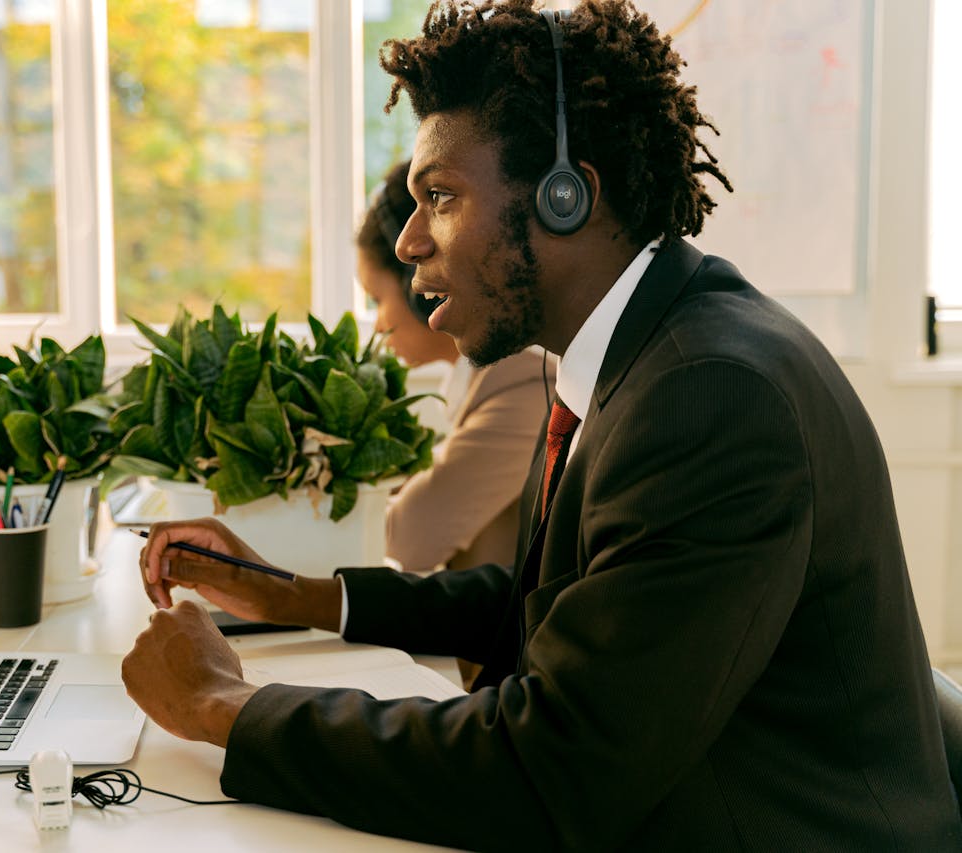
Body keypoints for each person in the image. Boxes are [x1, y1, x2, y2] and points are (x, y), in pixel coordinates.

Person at [122, 2, 962, 849]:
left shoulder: (710, 395)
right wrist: (290, 595)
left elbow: (550, 771)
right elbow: (546, 604)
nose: (409, 239)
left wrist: (223, 706)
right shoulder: (631, 352)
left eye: (440, 196)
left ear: (567, 198)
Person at [358, 158, 548, 580]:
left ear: (417, 285)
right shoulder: (484, 379)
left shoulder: (524, 381)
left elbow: (405, 541)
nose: (378, 324)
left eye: (376, 299)